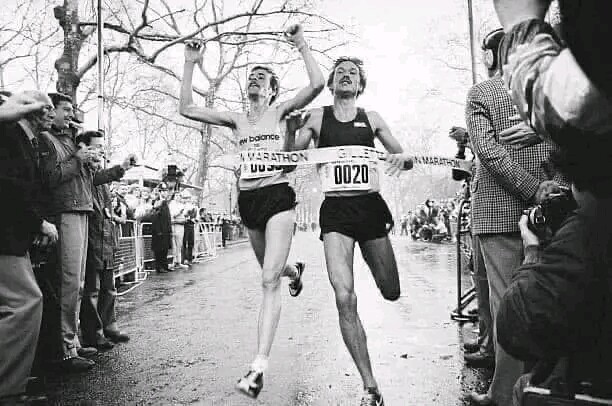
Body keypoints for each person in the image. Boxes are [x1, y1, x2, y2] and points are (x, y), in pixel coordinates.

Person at [179, 24, 323, 398]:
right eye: (251, 77)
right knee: (270, 271)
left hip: (277, 196)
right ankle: (295, 271)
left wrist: (300, 43)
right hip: (249, 201)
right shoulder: (237, 119)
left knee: (267, 280)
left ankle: (258, 367)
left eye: (262, 77)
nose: (254, 80)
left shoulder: (281, 111)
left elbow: (317, 84)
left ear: (272, 89)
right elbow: (187, 108)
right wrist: (190, 62)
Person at [294, 56, 412, 406]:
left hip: (370, 209)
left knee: (391, 291)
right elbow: (289, 158)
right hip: (336, 213)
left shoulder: (371, 118)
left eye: (353, 73)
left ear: (360, 85)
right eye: (340, 72)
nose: (347, 76)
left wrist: (401, 159)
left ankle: (381, 279)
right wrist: (290, 129)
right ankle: (370, 385)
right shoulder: (317, 118)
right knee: (344, 297)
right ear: (331, 83)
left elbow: (403, 158)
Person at [465, 29, 567, 406]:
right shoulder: (556, 92)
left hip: (502, 214)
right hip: (551, 211)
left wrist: (539, 190)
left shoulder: (482, 92)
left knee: (507, 305)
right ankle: (541, 388)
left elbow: (488, 152)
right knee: (553, 300)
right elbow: (572, 144)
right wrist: (553, 191)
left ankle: (504, 395)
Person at [0, 90, 58, 404]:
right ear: (29, 110)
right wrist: (38, 223)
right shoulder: (9, 137)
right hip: (5, 238)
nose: (51, 113)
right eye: (46, 108)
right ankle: (8, 389)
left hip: (13, 235)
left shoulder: (27, 141)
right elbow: (9, 188)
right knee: (25, 302)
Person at [79, 130, 134, 351]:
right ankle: (94, 332)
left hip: (106, 238)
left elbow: (108, 211)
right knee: (92, 289)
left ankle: (109, 325)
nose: (101, 151)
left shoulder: (101, 179)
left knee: (109, 287)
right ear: (84, 148)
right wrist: (122, 168)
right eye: (97, 147)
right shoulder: (85, 174)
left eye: (103, 147)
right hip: (92, 238)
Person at [137, 183, 173, 274]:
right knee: (159, 249)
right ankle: (159, 267)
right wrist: (158, 230)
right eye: (163, 191)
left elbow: (167, 217)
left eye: (166, 191)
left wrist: (169, 229)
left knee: (165, 249)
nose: (165, 193)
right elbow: (155, 217)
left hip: (165, 229)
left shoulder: (165, 202)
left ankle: (164, 265)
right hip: (158, 230)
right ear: (160, 192)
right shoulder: (156, 202)